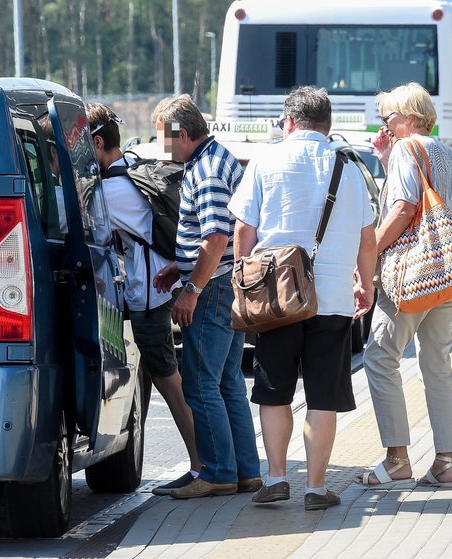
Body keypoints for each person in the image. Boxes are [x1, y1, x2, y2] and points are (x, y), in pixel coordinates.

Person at [228, 86, 377, 510]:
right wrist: (364, 283)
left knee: (274, 389)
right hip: (331, 297)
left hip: (277, 297)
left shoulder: (265, 160)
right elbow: (367, 238)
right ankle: (315, 487)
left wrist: (245, 278)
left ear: (288, 121)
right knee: (323, 394)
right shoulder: (348, 167)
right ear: (328, 126)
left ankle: (276, 477)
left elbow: (244, 230)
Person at [84, 102, 203, 493]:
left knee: (168, 379)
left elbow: (70, 226)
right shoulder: (133, 170)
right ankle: (143, 459)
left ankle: (202, 465)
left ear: (98, 143)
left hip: (148, 298)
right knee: (151, 376)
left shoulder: (110, 192)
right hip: (159, 289)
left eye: (81, 146)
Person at [151, 94, 262, 499]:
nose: (162, 147)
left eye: (164, 138)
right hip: (222, 282)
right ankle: (245, 471)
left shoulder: (208, 170)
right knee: (228, 380)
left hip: (212, 287)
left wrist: (191, 288)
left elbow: (215, 237)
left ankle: (217, 472)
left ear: (182, 134)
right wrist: (179, 266)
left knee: (199, 383)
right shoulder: (217, 158)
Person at [358, 82, 452, 488]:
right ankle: (445, 462)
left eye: (390, 116)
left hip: (411, 273)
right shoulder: (442, 150)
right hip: (446, 272)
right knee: (437, 364)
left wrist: (369, 252)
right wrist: (388, 159)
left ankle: (397, 457)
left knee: (380, 356)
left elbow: (403, 208)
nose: (385, 123)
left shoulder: (407, 149)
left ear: (411, 116)